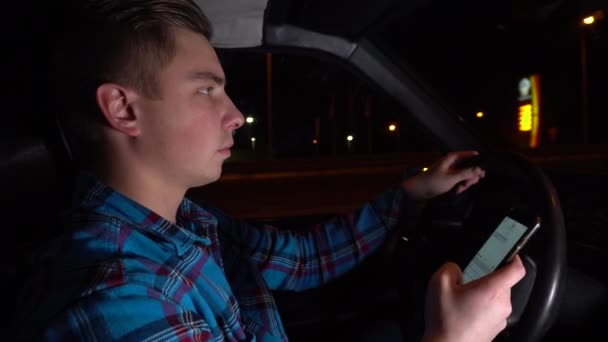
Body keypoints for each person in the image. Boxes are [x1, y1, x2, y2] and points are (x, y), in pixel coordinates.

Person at [16, 0, 525, 341]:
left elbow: (300, 259)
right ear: (124, 110)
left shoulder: (186, 224)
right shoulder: (118, 299)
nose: (235, 115)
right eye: (205, 89)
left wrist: (409, 196)